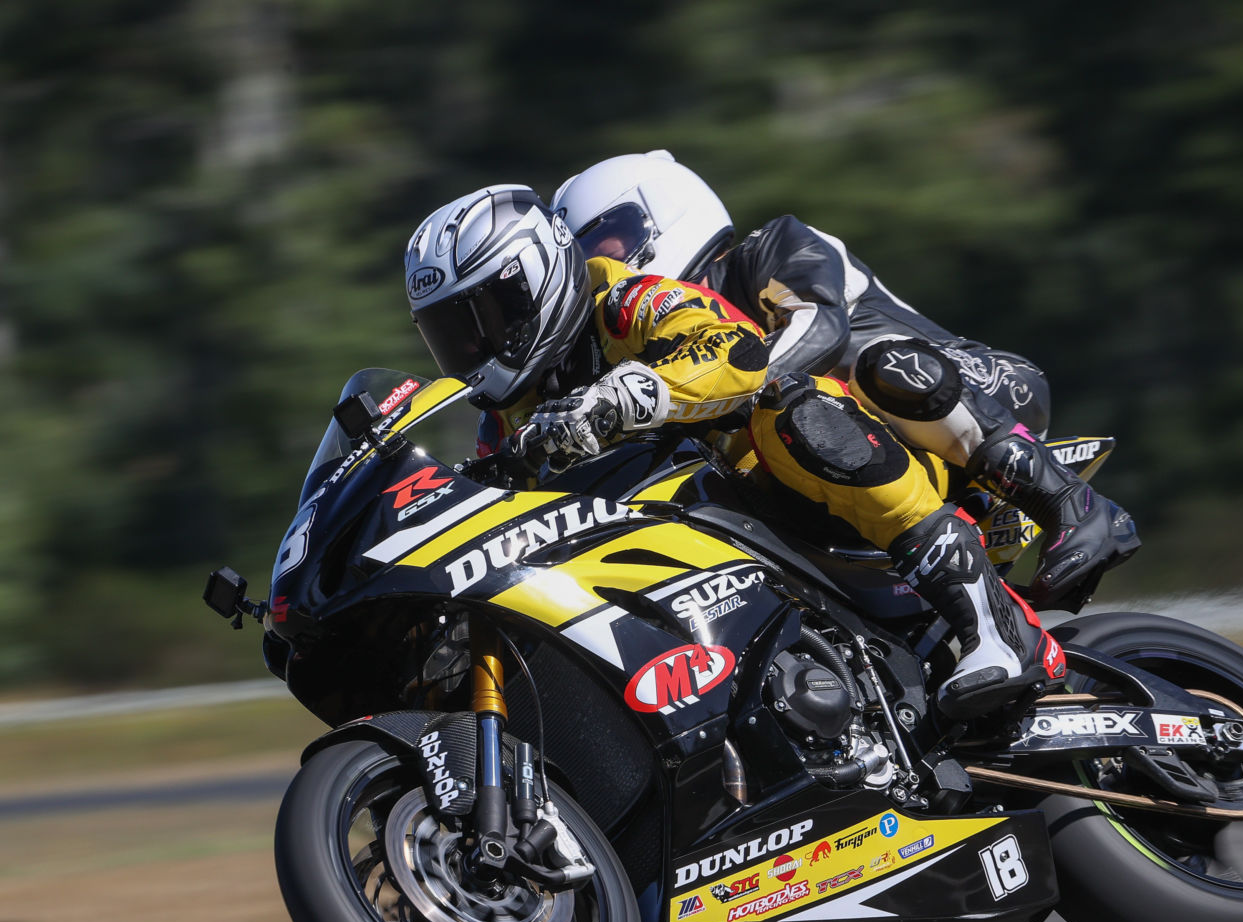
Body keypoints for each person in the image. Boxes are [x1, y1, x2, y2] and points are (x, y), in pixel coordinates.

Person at [405, 184, 1061, 719]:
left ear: (536, 278)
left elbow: (733, 352)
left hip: (801, 502)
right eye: (451, 336)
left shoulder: (624, 301)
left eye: (484, 316)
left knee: (791, 408)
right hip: (692, 559)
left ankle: (992, 621)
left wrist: (624, 395)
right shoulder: (505, 419)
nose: (473, 349)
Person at [551, 151, 1139, 613]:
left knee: (868, 364)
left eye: (606, 242)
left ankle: (1071, 503)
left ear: (661, 214)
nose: (604, 266)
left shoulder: (771, 249)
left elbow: (819, 330)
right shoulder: (663, 336)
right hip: (881, 457)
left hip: (983, 386)